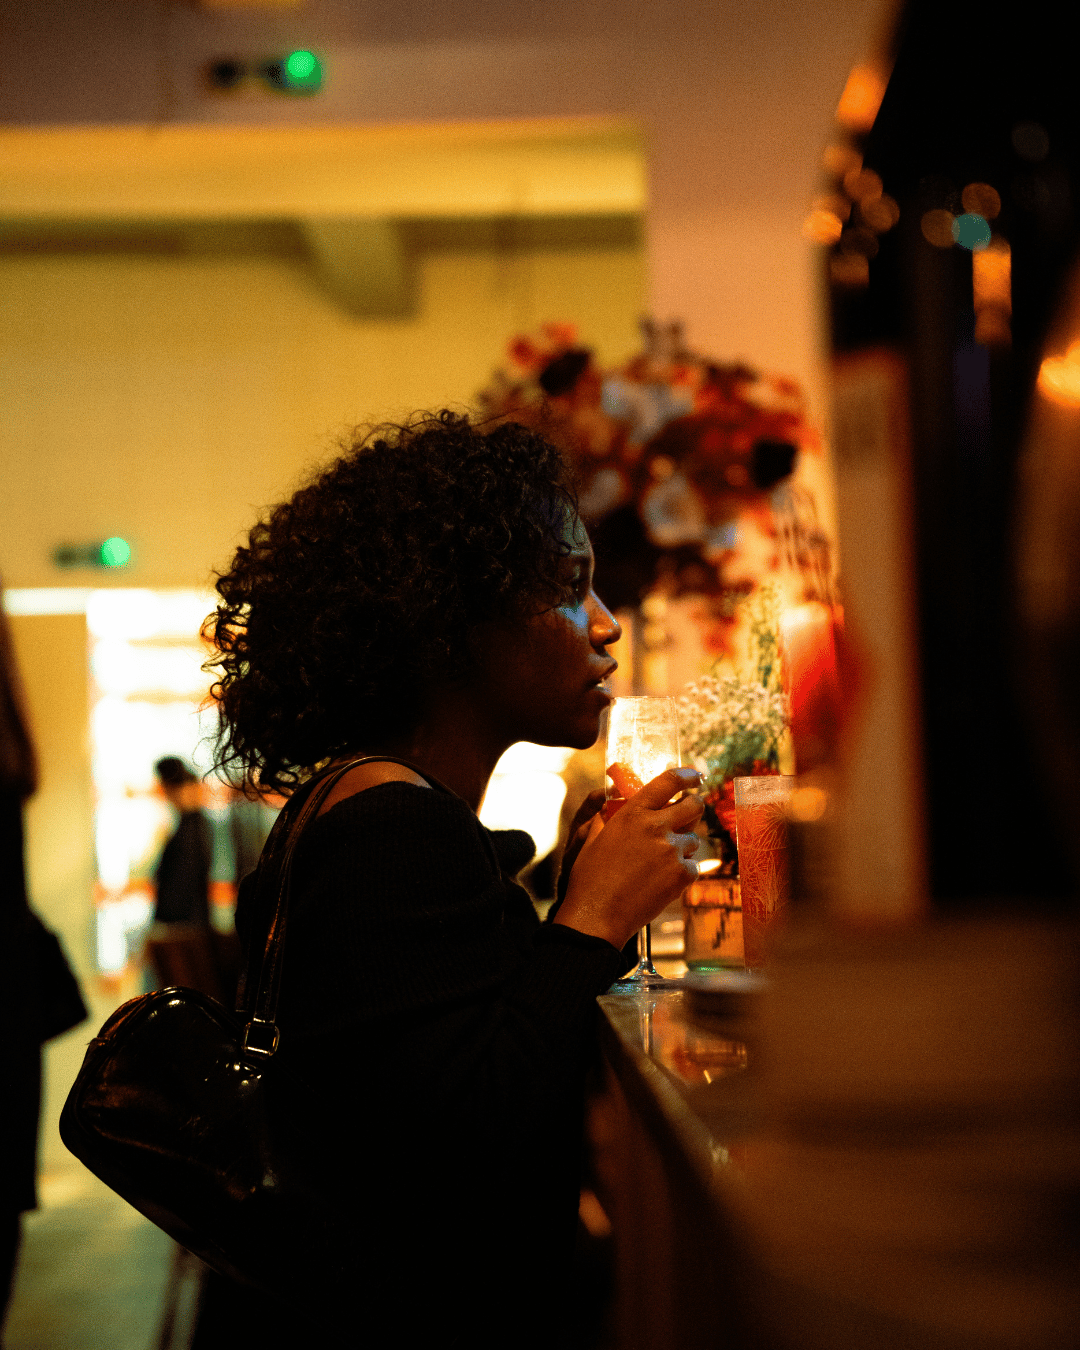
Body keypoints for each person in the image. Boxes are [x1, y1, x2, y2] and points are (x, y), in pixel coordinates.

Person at [204, 411, 702, 1347]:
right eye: (570, 589)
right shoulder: (389, 828)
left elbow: (435, 1042)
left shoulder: (377, 806)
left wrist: (576, 892)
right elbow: (472, 1143)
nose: (606, 628)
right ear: (453, 621)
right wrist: (589, 920)